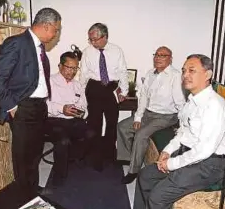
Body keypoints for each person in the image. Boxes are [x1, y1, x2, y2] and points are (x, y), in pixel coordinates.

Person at [130, 54, 225, 209]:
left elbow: (204, 150)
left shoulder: (214, 106)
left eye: (192, 70)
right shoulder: (192, 101)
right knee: (146, 175)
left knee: (159, 196)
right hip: (189, 154)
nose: (185, 75)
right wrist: (167, 151)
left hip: (209, 165)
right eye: (184, 70)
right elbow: (182, 132)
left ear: (208, 74)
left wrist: (172, 163)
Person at [0, 7, 62, 193]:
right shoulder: (17, 43)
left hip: (39, 107)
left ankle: (32, 190)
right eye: (56, 29)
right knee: (23, 157)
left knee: (35, 153)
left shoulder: (39, 47)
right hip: (23, 107)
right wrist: (11, 105)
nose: (56, 34)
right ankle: (23, 196)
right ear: (46, 26)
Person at [117, 46, 186, 184]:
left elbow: (180, 102)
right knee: (122, 126)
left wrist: (184, 124)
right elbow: (143, 97)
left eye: (163, 55)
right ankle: (127, 158)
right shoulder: (150, 74)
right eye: (157, 55)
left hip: (165, 117)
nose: (158, 58)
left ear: (170, 59)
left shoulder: (175, 76)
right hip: (148, 114)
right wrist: (138, 117)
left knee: (141, 134)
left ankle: (133, 171)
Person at [45, 51, 100, 185]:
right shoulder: (49, 82)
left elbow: (84, 105)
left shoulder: (77, 85)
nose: (73, 71)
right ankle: (59, 174)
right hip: (54, 120)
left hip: (73, 120)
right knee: (63, 141)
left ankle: (72, 158)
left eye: (75, 68)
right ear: (60, 66)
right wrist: (62, 108)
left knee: (91, 134)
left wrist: (80, 112)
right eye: (69, 67)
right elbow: (44, 105)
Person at [80, 23, 128, 166]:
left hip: (111, 89)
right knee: (94, 124)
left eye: (95, 39)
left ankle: (109, 154)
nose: (92, 42)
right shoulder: (87, 52)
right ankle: (95, 157)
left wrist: (124, 91)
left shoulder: (117, 50)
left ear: (105, 36)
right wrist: (82, 96)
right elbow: (83, 75)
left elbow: (123, 72)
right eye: (90, 39)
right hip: (94, 88)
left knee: (112, 123)